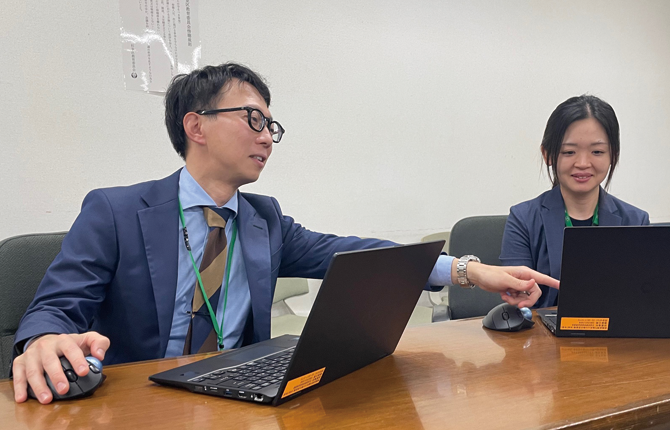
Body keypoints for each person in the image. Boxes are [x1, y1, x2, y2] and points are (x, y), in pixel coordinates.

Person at [12, 63, 558, 404]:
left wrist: (467, 270)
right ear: (195, 125)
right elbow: (55, 306)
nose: (267, 138)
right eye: (253, 119)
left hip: (239, 400)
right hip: (141, 406)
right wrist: (43, 341)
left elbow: (349, 252)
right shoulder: (115, 211)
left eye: (271, 126)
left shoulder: (263, 219)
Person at [500, 95, 649, 308]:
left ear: (613, 155)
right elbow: (517, 301)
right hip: (542, 328)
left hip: (615, 328)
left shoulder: (635, 221)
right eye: (569, 152)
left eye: (597, 152)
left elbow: (642, 300)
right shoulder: (523, 219)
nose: (583, 163)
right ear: (547, 154)